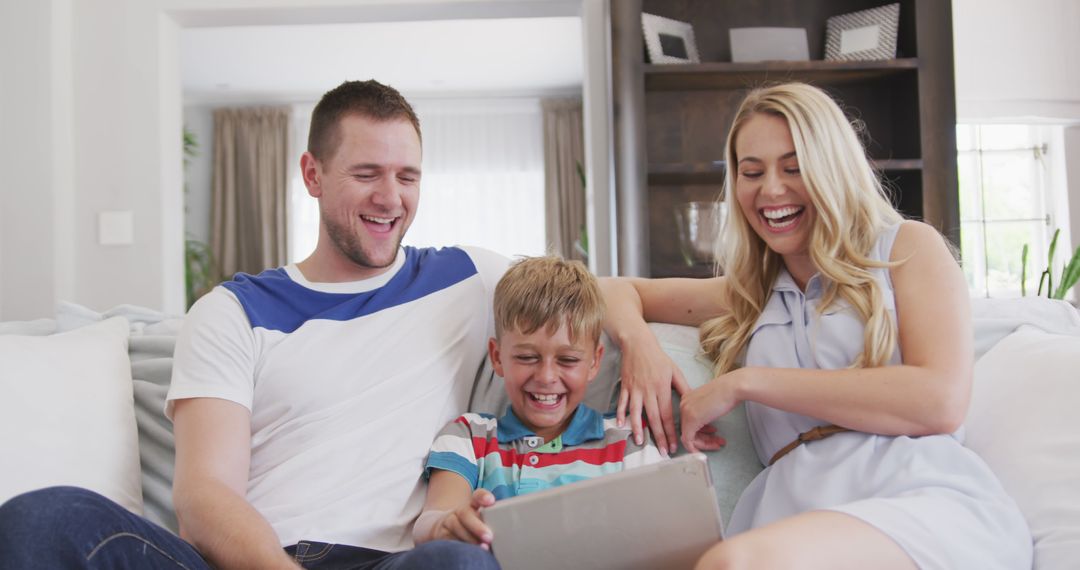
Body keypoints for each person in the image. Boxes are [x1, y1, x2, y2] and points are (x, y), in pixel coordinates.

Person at [0, 80, 505, 569]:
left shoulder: (468, 277)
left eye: (407, 177)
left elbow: (579, 300)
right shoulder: (234, 311)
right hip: (253, 560)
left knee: (461, 561)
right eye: (367, 173)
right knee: (43, 517)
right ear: (313, 174)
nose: (391, 198)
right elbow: (204, 495)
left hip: (396, 562)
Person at [600, 83, 1033, 569]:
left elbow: (940, 402)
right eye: (751, 172)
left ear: (832, 167)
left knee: (734, 564)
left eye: (794, 166)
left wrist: (746, 382)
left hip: (920, 504)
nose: (771, 190)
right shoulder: (749, 291)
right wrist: (639, 344)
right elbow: (610, 290)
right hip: (790, 514)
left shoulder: (907, 249)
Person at [412, 255, 681, 550]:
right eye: (527, 357)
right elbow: (432, 518)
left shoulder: (629, 442)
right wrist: (448, 525)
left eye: (567, 360)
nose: (546, 377)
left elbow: (665, 538)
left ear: (594, 363)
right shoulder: (468, 437)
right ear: (498, 357)